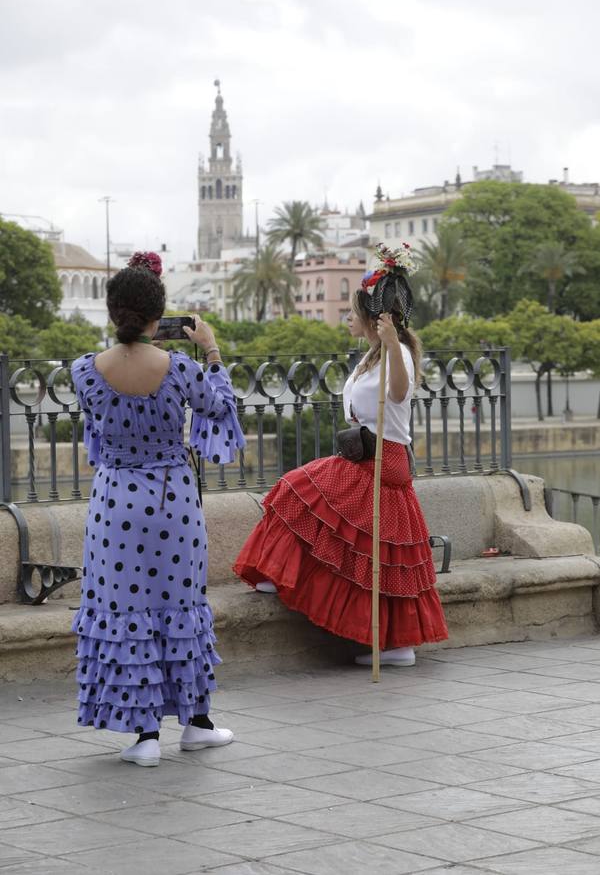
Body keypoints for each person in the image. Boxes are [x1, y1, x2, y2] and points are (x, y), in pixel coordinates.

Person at [234, 245, 448, 665]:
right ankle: (390, 641)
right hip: (362, 456)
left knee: (303, 495)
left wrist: (391, 345)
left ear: (371, 318)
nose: (346, 318)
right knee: (364, 546)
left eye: (352, 312)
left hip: (382, 462)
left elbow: (401, 393)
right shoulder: (370, 356)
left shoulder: (396, 352)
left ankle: (393, 643)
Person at [71, 251, 244, 767]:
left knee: (127, 613)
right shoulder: (183, 369)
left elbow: (101, 425)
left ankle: (144, 735)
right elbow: (221, 407)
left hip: (114, 505)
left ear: (110, 312)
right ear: (158, 316)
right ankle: (196, 725)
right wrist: (210, 350)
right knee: (180, 608)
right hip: (173, 504)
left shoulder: (84, 370)